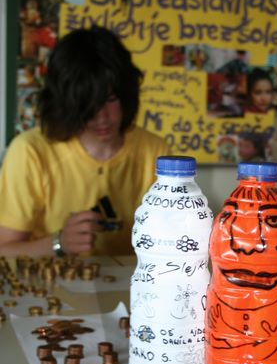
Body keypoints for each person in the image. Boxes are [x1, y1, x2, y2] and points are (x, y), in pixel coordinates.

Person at [0, 26, 169, 257]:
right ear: (66, 104)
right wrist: (59, 243)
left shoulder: (155, 151)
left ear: (126, 94)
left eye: (110, 99)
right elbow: (3, 251)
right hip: (51, 278)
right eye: (87, 104)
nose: (102, 117)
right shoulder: (29, 151)